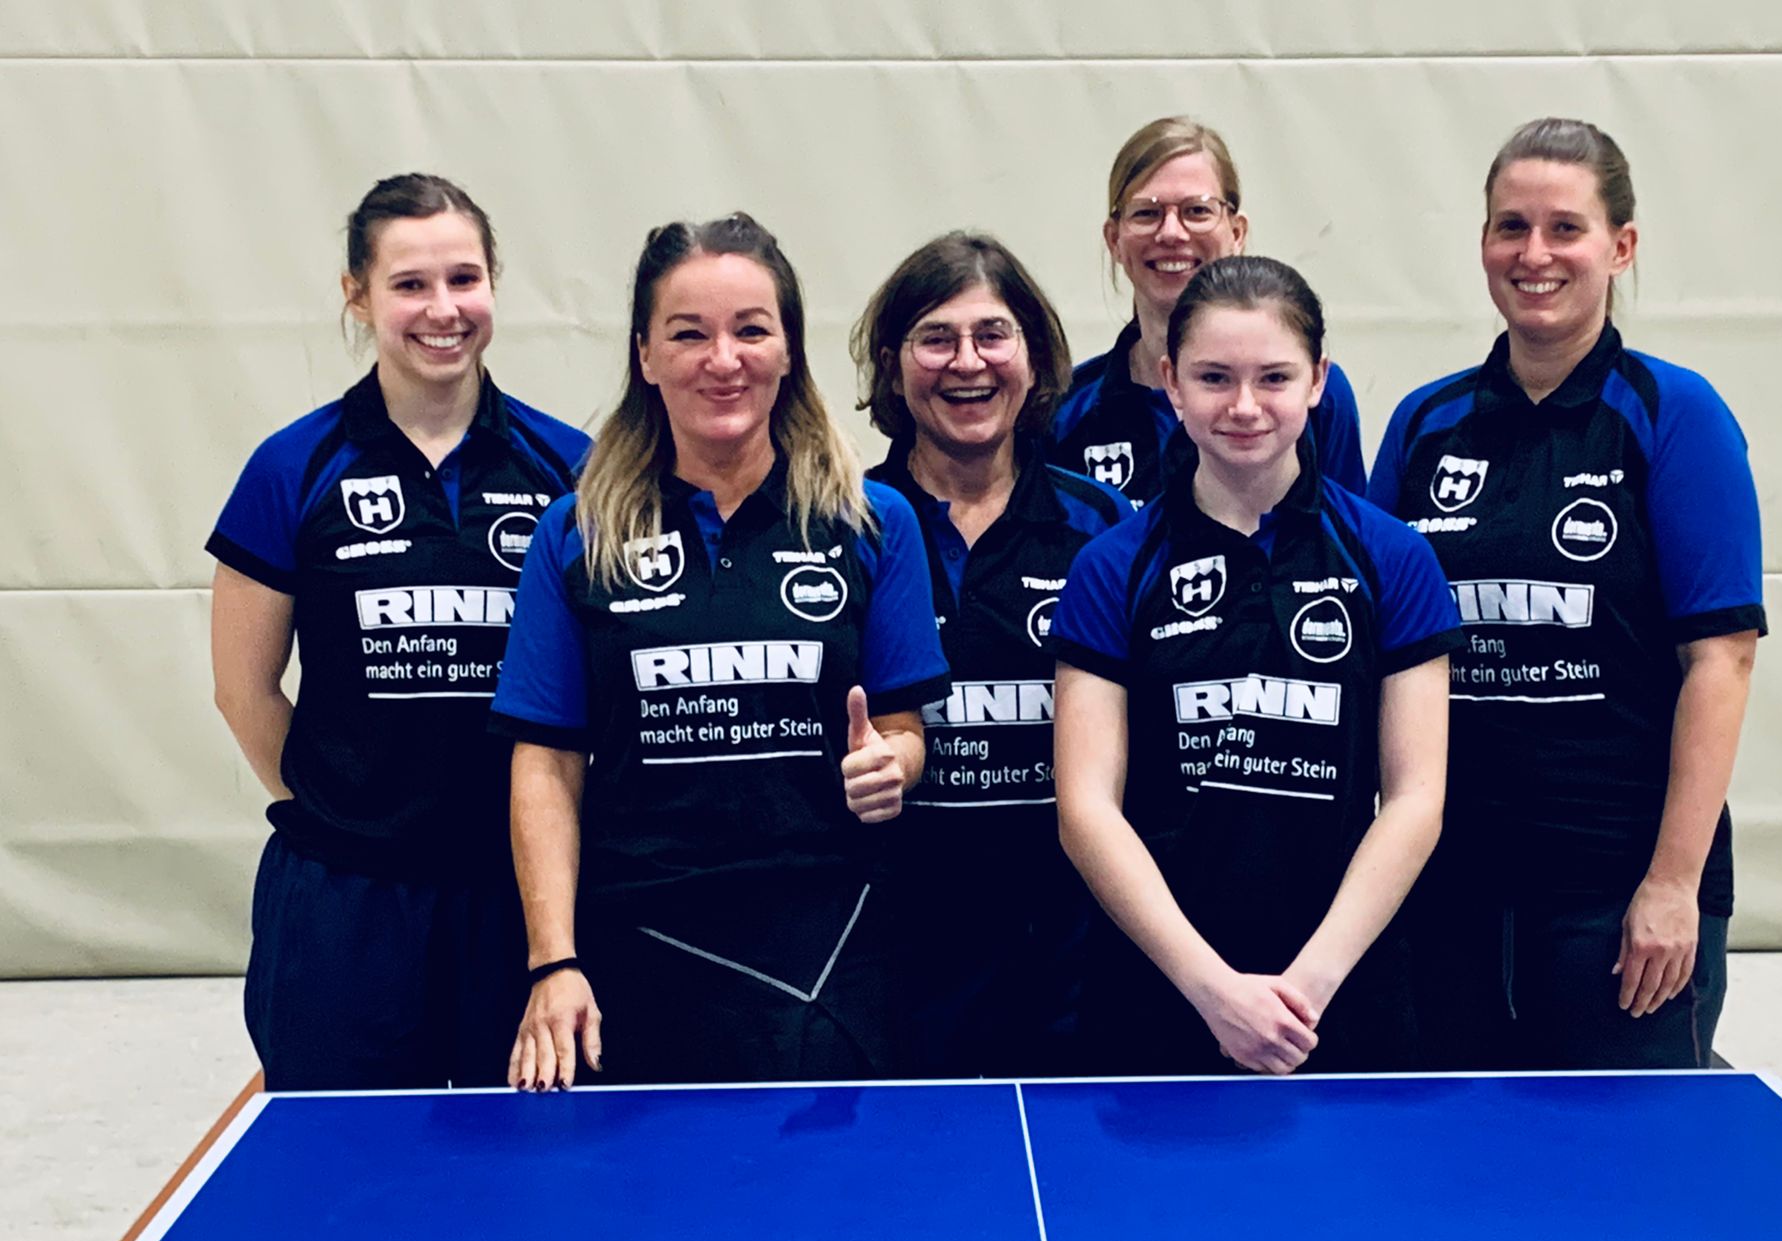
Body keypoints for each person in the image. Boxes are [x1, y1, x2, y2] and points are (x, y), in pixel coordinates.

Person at [491, 214, 949, 1090]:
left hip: (832, 945)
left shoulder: (871, 522)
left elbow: (902, 725)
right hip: (639, 945)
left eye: (750, 330)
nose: (723, 358)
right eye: (688, 333)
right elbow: (546, 765)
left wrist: (895, 763)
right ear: (646, 355)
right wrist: (553, 964)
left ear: (788, 351)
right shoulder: (575, 534)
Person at [1367, 117, 1766, 1069]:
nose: (1534, 254)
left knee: (1620, 1185)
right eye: (1511, 227)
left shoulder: (1677, 416)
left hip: (1615, 892)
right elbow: (1372, 648)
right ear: (1483, 246)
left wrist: (1672, 883)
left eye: (1565, 228)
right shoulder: (1425, 425)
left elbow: (1722, 661)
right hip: (1452, 886)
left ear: (1620, 247)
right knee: (1455, 1170)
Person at [207, 174, 587, 1092]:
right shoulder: (292, 468)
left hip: (518, 903)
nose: (442, 309)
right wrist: (346, 809)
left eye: (464, 278)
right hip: (348, 903)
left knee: (529, 1179)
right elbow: (243, 689)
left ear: (494, 282)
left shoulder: (569, 466)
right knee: (345, 1181)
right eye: (411, 284)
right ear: (357, 295)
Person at [1052, 256, 1460, 1077]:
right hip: (1159, 994)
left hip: (1338, 998)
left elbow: (1417, 796)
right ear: (1171, 382)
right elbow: (1086, 806)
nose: (1244, 406)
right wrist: (1211, 991)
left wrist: (1307, 987)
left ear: (1319, 382)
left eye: (1274, 377)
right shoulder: (1111, 567)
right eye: (1214, 377)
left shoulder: (1393, 558)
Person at [851, 232, 1126, 1077]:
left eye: (992, 335)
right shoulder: (841, 524)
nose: (967, 362)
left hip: (1066, 967)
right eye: (936, 338)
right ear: (893, 366)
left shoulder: (1105, 532)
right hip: (886, 961)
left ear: (1035, 358)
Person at [1049, 116, 1371, 510]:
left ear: (1236, 232)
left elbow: (1352, 540)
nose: (1171, 233)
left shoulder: (1314, 395)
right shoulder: (1067, 411)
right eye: (1146, 213)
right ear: (1114, 239)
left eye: (1197, 211)